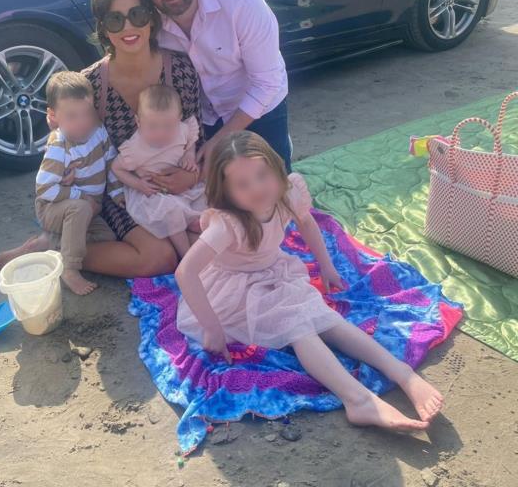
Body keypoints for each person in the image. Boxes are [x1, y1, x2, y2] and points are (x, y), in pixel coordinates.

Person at [175, 132, 444, 431]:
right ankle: (358, 399)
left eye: (261, 175)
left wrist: (326, 265)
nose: (257, 189)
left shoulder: (286, 193)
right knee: (298, 326)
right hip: (234, 294)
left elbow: (306, 221)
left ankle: (401, 372)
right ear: (226, 191)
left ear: (275, 167)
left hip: (275, 275)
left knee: (325, 318)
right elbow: (186, 272)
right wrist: (211, 327)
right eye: (242, 184)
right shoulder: (228, 224)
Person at [0, 0, 204, 279]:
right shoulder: (91, 84)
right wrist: (61, 150)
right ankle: (54, 247)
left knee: (205, 239)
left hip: (176, 186)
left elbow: (196, 135)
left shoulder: (179, 69)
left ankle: (61, 241)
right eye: (115, 20)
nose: (128, 27)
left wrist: (189, 174)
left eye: (137, 14)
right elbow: (66, 134)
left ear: (151, 17)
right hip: (118, 193)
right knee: (160, 259)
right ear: (103, 28)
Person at [127, 0, 292, 172]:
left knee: (275, 187)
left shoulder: (241, 0)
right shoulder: (148, 20)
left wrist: (220, 140)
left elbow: (266, 82)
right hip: (204, 117)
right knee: (218, 192)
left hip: (259, 106)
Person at [31, 71, 123, 295]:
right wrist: (81, 198)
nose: (82, 123)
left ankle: (50, 243)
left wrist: (117, 192)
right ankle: (69, 269)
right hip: (53, 208)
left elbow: (111, 160)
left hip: (86, 210)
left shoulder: (98, 131)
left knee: (107, 238)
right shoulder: (59, 146)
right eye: (72, 116)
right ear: (53, 116)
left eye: (87, 113)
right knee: (80, 208)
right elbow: (44, 189)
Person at [111, 83, 206, 257]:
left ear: (178, 119)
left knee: (205, 196)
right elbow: (116, 168)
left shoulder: (182, 130)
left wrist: (189, 155)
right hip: (153, 193)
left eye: (168, 126)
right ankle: (185, 254)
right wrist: (138, 184)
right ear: (138, 122)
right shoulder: (135, 148)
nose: (161, 133)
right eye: (153, 126)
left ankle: (193, 222)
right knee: (170, 210)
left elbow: (191, 139)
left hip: (181, 187)